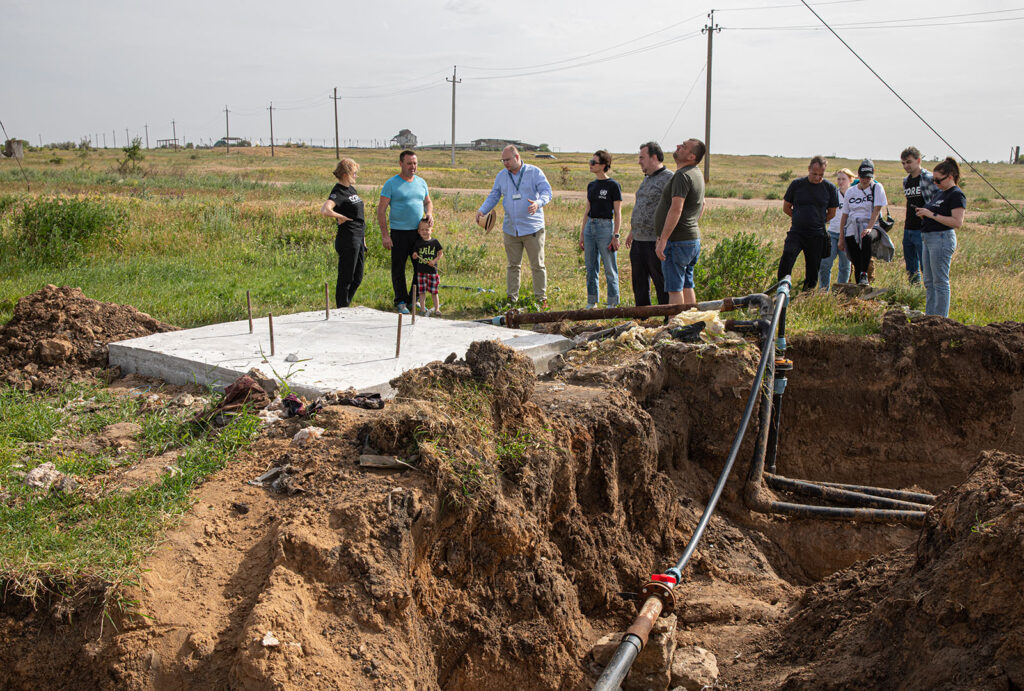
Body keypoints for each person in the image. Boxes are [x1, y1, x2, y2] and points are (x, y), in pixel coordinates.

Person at [475, 145, 553, 307]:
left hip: (533, 228)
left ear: (517, 157)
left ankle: (541, 299)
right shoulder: (502, 176)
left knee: (537, 265)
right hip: (511, 229)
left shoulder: (534, 172)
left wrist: (538, 203)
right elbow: (494, 195)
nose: (505, 163)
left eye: (508, 160)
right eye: (503, 160)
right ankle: (512, 298)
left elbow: (547, 191)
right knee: (512, 265)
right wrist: (482, 210)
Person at [378, 150, 432, 315]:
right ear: (401, 163)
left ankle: (413, 299)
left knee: (420, 267)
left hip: (418, 234)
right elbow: (381, 211)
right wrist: (385, 235)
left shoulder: (421, 183)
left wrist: (429, 213)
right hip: (399, 233)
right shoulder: (391, 184)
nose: (413, 167)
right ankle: (400, 301)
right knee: (398, 268)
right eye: (409, 163)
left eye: (415, 163)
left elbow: (428, 202)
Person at [654, 138, 706, 306]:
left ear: (691, 156)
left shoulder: (682, 176)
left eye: (683, 147)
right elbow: (702, 204)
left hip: (677, 242)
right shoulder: (696, 173)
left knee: (675, 289)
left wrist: (663, 239)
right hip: (690, 240)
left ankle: (675, 327)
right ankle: (691, 323)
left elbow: (677, 208)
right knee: (686, 285)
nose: (678, 146)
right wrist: (690, 224)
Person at [777, 155, 839, 291]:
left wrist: (817, 221)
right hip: (796, 232)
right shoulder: (797, 185)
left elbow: (832, 213)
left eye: (821, 174)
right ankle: (781, 289)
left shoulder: (829, 188)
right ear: (808, 169)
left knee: (812, 268)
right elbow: (786, 207)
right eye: (814, 174)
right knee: (787, 258)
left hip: (817, 235)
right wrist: (799, 217)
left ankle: (806, 294)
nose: (817, 177)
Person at [915, 157, 965, 317]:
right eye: (933, 180)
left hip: (942, 239)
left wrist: (932, 214)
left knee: (940, 282)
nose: (935, 183)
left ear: (950, 177)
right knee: (929, 282)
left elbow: (957, 222)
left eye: (938, 180)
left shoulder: (956, 195)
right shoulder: (941, 193)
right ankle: (930, 316)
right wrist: (925, 215)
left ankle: (941, 319)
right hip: (928, 238)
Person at [625, 142, 673, 306]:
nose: (639, 162)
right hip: (638, 240)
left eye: (642, 157)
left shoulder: (669, 178)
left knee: (661, 283)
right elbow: (643, 205)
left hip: (655, 241)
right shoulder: (646, 179)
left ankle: (667, 318)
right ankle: (642, 321)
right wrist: (633, 230)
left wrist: (665, 237)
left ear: (654, 157)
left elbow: (685, 206)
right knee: (639, 284)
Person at [578, 150, 622, 308]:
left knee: (609, 267)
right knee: (591, 267)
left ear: (603, 165)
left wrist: (615, 235)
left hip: (605, 227)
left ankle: (612, 302)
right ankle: (592, 301)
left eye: (594, 162)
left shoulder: (613, 186)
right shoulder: (591, 185)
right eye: (590, 161)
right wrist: (582, 233)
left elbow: (618, 213)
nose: (590, 165)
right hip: (591, 225)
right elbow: (587, 210)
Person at [319, 158, 365, 308]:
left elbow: (359, 216)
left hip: (358, 237)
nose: (356, 176)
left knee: (357, 277)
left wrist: (363, 238)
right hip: (348, 238)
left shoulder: (351, 189)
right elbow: (325, 210)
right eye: (354, 173)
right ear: (346, 174)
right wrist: (340, 217)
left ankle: (345, 304)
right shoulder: (338, 191)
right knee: (346, 277)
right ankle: (342, 309)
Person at [839, 159, 886, 286]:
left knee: (866, 237)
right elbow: (845, 215)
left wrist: (870, 228)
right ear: (858, 176)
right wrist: (841, 237)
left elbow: (876, 210)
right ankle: (859, 284)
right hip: (852, 226)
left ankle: (864, 274)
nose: (865, 180)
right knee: (856, 259)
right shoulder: (851, 191)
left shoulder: (877, 187)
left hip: (871, 225)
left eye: (868, 177)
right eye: (863, 177)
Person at [900, 146, 939, 284]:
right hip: (908, 226)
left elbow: (937, 201)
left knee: (925, 265)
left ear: (918, 160)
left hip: (923, 228)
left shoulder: (928, 178)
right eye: (903, 163)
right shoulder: (906, 181)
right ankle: (914, 292)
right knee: (911, 266)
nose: (906, 166)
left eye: (909, 162)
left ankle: (928, 293)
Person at [819, 167, 854, 290]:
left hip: (848, 234)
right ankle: (823, 290)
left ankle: (840, 291)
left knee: (845, 265)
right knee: (825, 263)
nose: (840, 182)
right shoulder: (833, 194)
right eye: (838, 179)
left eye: (843, 179)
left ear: (850, 180)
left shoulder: (853, 194)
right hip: (833, 232)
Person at [411, 220, 444, 316]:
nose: (425, 232)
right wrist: (415, 255)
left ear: (431, 230)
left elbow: (440, 253)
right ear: (419, 231)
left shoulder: (435, 242)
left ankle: (437, 309)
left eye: (427, 229)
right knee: (422, 291)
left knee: (434, 291)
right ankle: (422, 308)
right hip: (421, 271)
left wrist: (434, 261)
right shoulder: (418, 242)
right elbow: (414, 255)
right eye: (422, 230)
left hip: (432, 271)